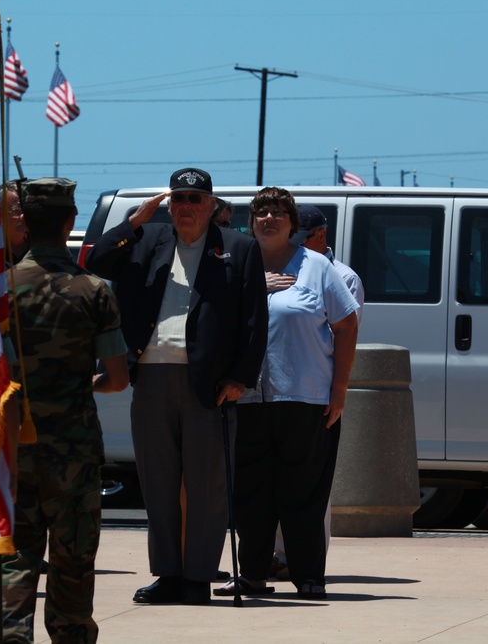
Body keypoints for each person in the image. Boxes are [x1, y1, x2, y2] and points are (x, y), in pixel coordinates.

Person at [84, 167, 268, 606]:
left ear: (212, 206)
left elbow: (254, 320)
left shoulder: (238, 249)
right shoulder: (146, 241)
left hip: (208, 382)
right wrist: (134, 220)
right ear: (168, 205)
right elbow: (96, 260)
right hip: (151, 375)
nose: (186, 207)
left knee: (206, 487)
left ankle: (198, 577)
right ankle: (168, 573)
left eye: (195, 199)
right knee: (159, 482)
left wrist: (241, 378)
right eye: (179, 199)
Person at [0, 177, 128, 643]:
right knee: (72, 558)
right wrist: (83, 384)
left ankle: (9, 635)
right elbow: (118, 378)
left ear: (24, 224)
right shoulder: (94, 291)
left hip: (13, 447)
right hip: (74, 449)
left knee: (15, 554)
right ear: (70, 222)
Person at [215, 186, 358, 600]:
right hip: (247, 397)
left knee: (303, 495)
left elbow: (346, 325)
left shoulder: (316, 267)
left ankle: (309, 576)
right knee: (251, 496)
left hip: (305, 398)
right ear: (251, 221)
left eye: (279, 212)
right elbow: (214, 317)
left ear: (292, 223)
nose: (270, 218)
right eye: (262, 211)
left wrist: (340, 389)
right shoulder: (234, 265)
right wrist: (254, 287)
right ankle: (252, 575)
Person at [269, 204, 366, 580]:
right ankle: (275, 555)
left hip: (314, 391)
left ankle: (304, 561)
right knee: (273, 481)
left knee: (310, 486)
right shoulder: (276, 265)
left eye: (298, 237)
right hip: (274, 390)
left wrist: (336, 391)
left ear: (320, 236)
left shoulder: (341, 276)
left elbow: (347, 333)